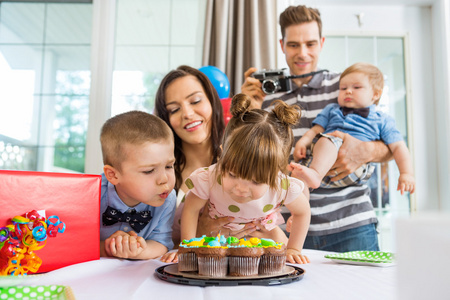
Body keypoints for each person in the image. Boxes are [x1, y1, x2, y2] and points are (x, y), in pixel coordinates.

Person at [241, 5, 393, 252]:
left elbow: (389, 142)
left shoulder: (345, 86)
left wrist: (364, 151)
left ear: (322, 43)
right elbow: (249, 159)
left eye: (310, 44)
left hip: (351, 223)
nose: (303, 53)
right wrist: (251, 109)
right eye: (293, 45)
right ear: (282, 45)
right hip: (289, 228)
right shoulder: (266, 95)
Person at [166, 94, 311, 264]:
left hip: (260, 241)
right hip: (216, 240)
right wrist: (187, 246)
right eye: (232, 175)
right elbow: (190, 208)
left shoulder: (282, 186)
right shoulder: (210, 178)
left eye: (256, 181)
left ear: (276, 171)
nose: (241, 188)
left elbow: (303, 211)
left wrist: (294, 248)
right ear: (222, 154)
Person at [154, 65, 259, 248]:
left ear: (213, 101)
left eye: (195, 101)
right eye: (174, 109)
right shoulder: (160, 175)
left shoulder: (244, 162)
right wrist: (199, 233)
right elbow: (155, 242)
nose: (187, 113)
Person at [292, 62, 416, 195]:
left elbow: (398, 147)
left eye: (357, 87)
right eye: (343, 88)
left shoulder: (382, 119)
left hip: (356, 169)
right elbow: (316, 130)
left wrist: (406, 173)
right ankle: (301, 213)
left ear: (375, 94)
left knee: (329, 140)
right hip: (321, 164)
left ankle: (315, 174)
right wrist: (303, 142)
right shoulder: (332, 109)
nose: (348, 91)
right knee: (296, 179)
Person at [99, 110, 177, 259]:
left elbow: (162, 242)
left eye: (169, 166)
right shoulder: (92, 194)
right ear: (113, 175)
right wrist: (108, 248)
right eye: (149, 171)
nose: (164, 179)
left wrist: (139, 251)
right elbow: (75, 242)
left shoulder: (167, 198)